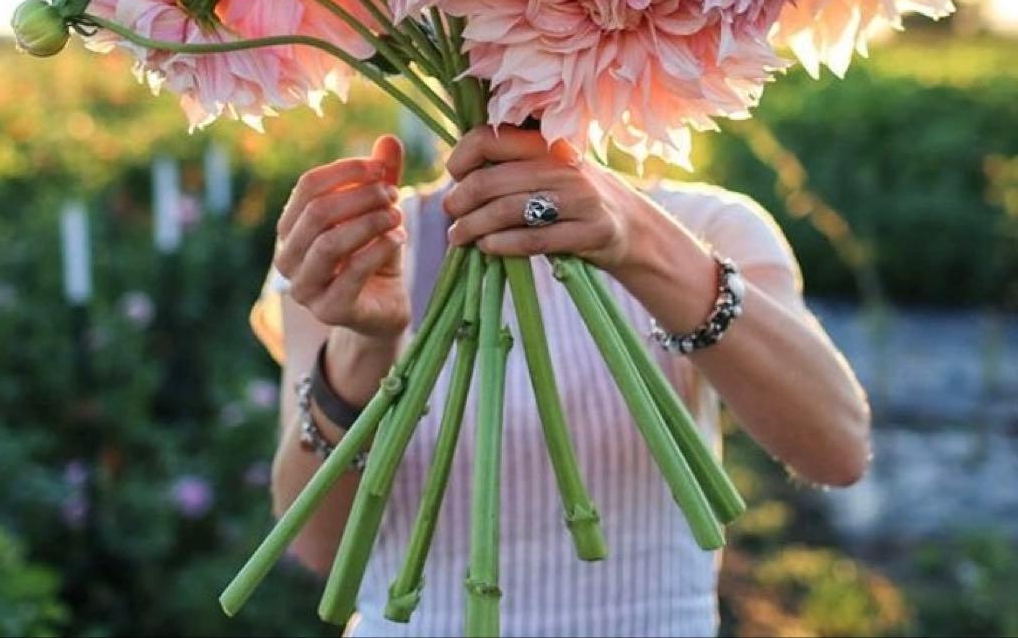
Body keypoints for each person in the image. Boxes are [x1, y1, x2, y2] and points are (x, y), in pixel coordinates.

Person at [251, 127, 871, 638]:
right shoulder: (358, 245)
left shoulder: (705, 224)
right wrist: (366, 342)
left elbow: (835, 448)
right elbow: (317, 546)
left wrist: (640, 240)